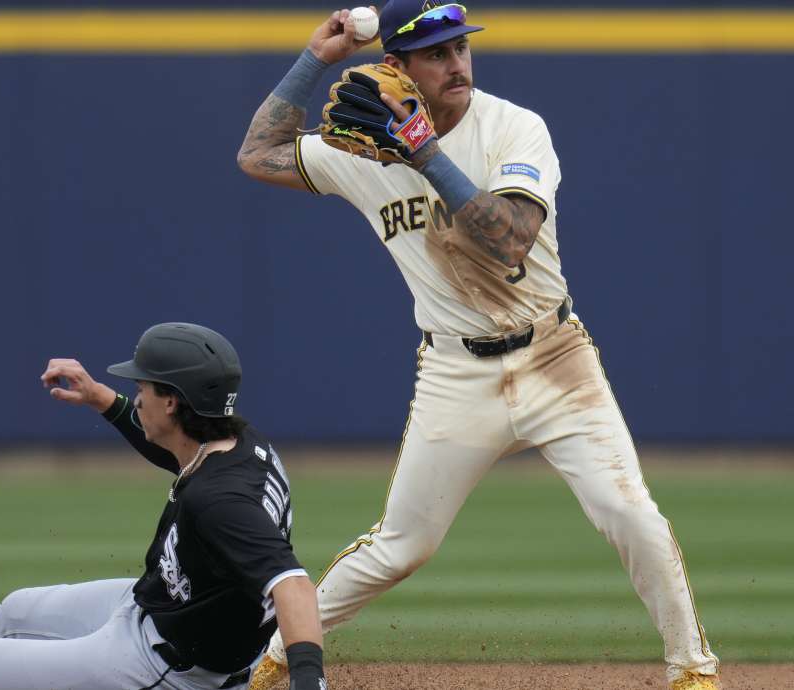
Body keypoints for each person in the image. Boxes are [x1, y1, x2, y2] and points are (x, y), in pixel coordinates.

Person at [235, 3, 720, 689]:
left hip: (555, 359)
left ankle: (693, 672)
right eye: (435, 53)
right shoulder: (361, 150)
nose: (456, 62)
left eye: (460, 47)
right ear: (395, 69)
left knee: (628, 512)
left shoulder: (514, 128)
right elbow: (257, 154)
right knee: (402, 547)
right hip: (455, 371)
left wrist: (423, 152)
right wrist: (316, 59)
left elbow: (510, 238)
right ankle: (278, 656)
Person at [0, 323, 329, 690]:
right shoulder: (239, 443)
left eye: (143, 388)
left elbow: (294, 586)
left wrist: (309, 683)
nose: (136, 396)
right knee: (18, 610)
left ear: (174, 402)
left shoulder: (221, 501)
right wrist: (102, 400)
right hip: (156, 609)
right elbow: (176, 450)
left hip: (167, 667)